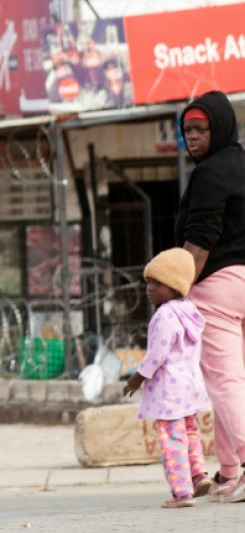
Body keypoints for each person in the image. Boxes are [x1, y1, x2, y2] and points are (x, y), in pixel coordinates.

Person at [175, 90, 245, 503]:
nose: (193, 138)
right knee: (231, 381)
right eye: (188, 131)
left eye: (201, 129)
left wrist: (174, 291)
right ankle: (230, 472)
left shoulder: (209, 175)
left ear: (218, 129)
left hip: (217, 286)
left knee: (224, 380)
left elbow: (198, 244)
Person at [123, 248, 211, 508]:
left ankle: (182, 492)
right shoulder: (189, 311)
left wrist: (137, 378)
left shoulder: (164, 316)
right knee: (191, 433)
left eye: (157, 283)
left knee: (172, 440)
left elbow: (156, 354)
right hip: (191, 387)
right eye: (148, 282)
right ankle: (198, 475)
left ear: (175, 287)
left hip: (170, 392)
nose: (149, 288)